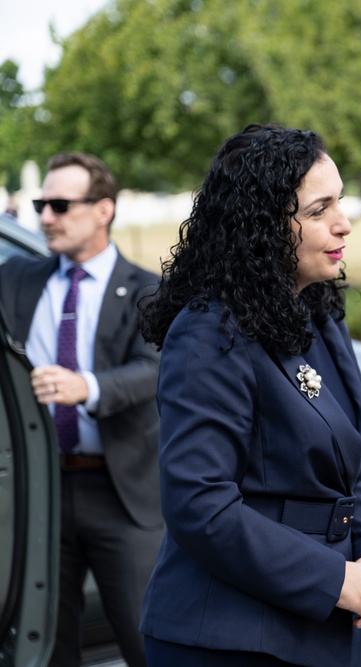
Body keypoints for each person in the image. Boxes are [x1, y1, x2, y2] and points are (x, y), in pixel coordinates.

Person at [137, 123, 361, 667]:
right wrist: (331, 578)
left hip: (325, 623)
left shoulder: (319, 312)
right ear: (262, 225)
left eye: (340, 202)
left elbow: (351, 472)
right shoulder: (209, 331)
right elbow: (199, 503)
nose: (343, 223)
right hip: (231, 636)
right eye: (319, 209)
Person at [0, 152, 162, 667]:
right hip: (38, 491)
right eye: (41, 204)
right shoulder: (17, 279)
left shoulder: (149, 291)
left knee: (148, 640)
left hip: (121, 493)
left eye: (60, 205)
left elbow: (155, 370)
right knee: (46, 643)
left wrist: (85, 387)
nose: (46, 216)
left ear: (103, 210)